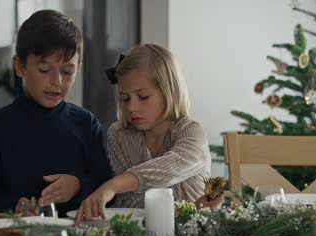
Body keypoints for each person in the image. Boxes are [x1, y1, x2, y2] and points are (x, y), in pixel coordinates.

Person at [0, 10, 112, 217]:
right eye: (44, 70)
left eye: (67, 71)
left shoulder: (86, 123)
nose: (57, 82)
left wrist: (77, 185)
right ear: (20, 66)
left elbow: (107, 187)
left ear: (78, 68)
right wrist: (15, 206)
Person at [75, 44, 218, 224]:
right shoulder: (118, 135)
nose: (131, 107)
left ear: (169, 92)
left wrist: (114, 185)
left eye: (143, 97)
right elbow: (127, 203)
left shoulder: (191, 132)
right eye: (125, 98)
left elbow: (172, 168)